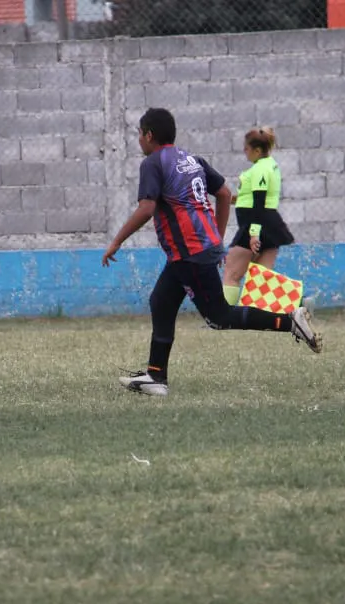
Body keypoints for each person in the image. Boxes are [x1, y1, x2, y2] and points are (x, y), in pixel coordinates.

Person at [101, 108, 322, 397]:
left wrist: (116, 241)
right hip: (195, 250)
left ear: (149, 135)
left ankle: (290, 321)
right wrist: (215, 237)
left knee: (219, 316)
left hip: (189, 252)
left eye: (140, 134)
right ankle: (156, 376)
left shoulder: (153, 163)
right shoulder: (192, 159)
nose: (139, 140)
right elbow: (224, 193)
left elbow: (147, 208)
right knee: (161, 301)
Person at [222, 126, 296, 306]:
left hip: (256, 224)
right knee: (261, 279)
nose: (244, 152)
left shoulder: (260, 169)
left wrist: (254, 233)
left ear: (257, 150)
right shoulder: (269, 164)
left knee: (232, 271)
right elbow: (253, 198)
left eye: (247, 148)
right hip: (270, 225)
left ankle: (223, 319)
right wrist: (229, 200)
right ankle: (298, 303)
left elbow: (259, 204)